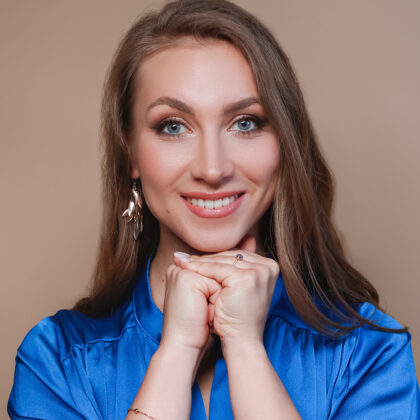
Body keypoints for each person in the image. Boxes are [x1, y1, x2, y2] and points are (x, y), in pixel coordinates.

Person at [8, 0, 420, 419]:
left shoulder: (368, 356)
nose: (212, 168)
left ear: (284, 143)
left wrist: (245, 347)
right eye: (173, 126)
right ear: (129, 151)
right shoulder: (56, 364)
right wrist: (176, 354)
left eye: (245, 122)